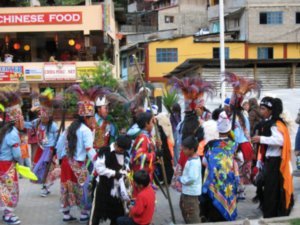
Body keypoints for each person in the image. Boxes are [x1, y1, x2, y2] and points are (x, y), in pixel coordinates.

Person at [56, 84, 103, 223]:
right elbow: (89, 149)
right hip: (78, 164)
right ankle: (84, 214)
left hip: (66, 163)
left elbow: (59, 144)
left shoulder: (71, 127)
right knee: (84, 188)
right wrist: (98, 163)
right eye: (92, 117)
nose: (93, 120)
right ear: (87, 118)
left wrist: (59, 159)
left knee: (66, 187)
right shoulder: (86, 131)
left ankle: (66, 214)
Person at [252, 97, 294, 218]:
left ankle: (271, 216)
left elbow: (280, 141)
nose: (261, 111)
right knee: (270, 189)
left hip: (275, 162)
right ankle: (271, 213)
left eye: (263, 109)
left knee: (271, 190)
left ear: (270, 110)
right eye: (260, 108)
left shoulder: (275, 124)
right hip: (270, 160)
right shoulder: (272, 122)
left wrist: (261, 139)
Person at [201, 111, 239, 222]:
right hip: (229, 179)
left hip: (215, 180)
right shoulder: (233, 145)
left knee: (214, 203)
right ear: (228, 131)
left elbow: (204, 162)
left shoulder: (211, 145)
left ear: (218, 131)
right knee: (228, 195)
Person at [90, 135, 132, 225]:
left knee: (117, 213)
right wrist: (114, 173)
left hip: (117, 189)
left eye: (123, 151)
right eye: (120, 150)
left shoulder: (125, 154)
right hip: (103, 186)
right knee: (97, 212)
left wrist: (124, 173)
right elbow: (99, 169)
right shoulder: (105, 152)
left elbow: (126, 167)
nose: (121, 152)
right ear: (116, 144)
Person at [24, 88, 59, 197]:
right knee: (41, 169)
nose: (43, 116)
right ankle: (45, 187)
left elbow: (58, 138)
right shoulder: (37, 122)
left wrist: (56, 151)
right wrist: (18, 121)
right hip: (41, 149)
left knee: (48, 170)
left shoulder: (53, 125)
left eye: (45, 114)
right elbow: (28, 125)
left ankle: (45, 187)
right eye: (42, 113)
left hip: (50, 151)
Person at [0, 90, 24, 225]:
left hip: (1, 164)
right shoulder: (13, 133)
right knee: (11, 189)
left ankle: (6, 213)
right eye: (21, 117)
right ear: (17, 118)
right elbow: (17, 154)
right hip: (7, 165)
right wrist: (21, 163)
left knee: (3, 188)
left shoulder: (3, 129)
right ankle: (8, 215)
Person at [178, 136, 202, 224]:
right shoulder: (191, 159)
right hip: (187, 191)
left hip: (191, 192)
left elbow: (191, 178)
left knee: (192, 213)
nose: (183, 151)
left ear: (191, 149)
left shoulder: (194, 163)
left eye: (185, 149)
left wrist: (181, 179)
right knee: (184, 207)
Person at [130, 112, 157, 188]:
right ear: (146, 124)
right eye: (152, 121)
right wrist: (155, 154)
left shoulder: (148, 136)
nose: (153, 124)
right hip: (142, 176)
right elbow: (140, 155)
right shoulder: (143, 138)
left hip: (147, 173)